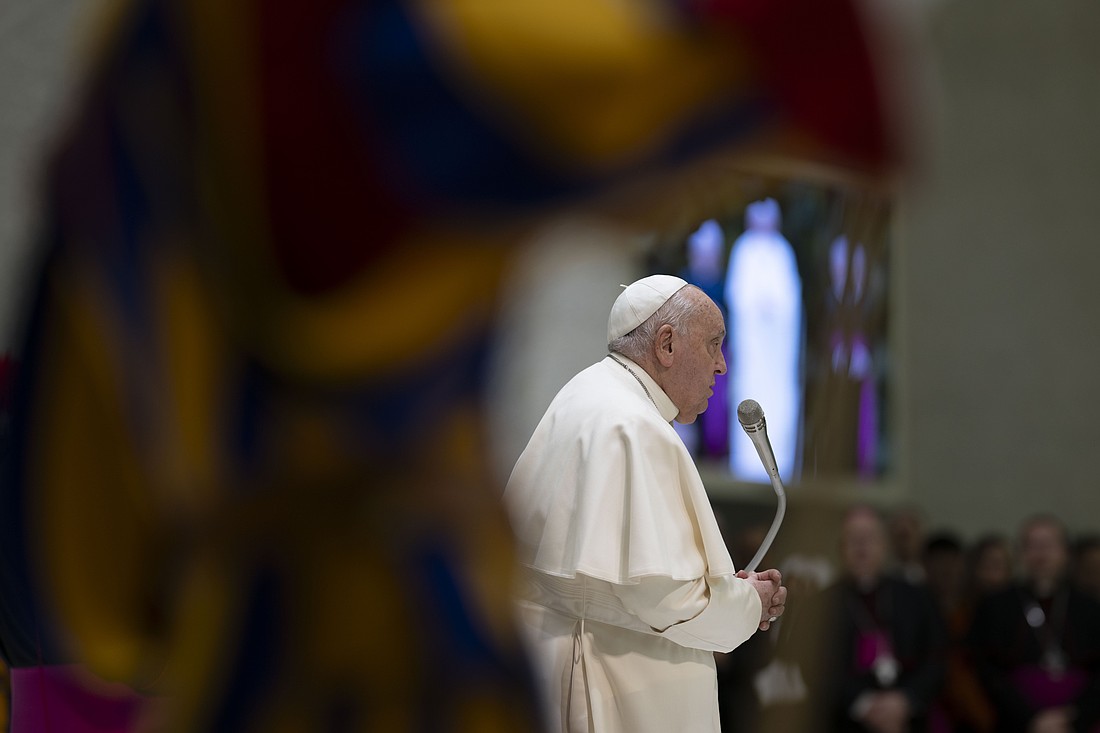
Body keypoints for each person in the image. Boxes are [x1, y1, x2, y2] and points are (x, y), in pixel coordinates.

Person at [503, 274, 788, 733]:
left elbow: (628, 584)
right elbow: (667, 598)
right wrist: (750, 603)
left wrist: (723, 589)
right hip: (612, 689)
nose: (722, 366)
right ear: (667, 344)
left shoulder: (585, 395)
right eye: (714, 345)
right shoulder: (635, 427)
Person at [792, 505, 946, 733]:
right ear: (840, 548)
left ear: (884, 546)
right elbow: (812, 666)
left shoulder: (916, 596)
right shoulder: (820, 605)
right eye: (853, 539)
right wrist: (864, 705)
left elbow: (937, 655)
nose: (862, 547)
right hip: (845, 721)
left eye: (870, 538)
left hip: (908, 720)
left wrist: (905, 701)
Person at [968, 514, 1100, 733]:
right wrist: (1030, 718)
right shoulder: (996, 606)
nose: (1041, 554)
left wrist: (1074, 717)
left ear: (1066, 553)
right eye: (1032, 546)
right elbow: (987, 671)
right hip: (1016, 721)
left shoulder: (1089, 607)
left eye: (1048, 545)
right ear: (1019, 554)